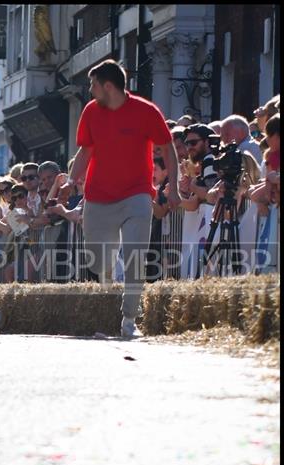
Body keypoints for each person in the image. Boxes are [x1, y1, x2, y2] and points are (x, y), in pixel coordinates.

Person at [69, 59, 180, 338]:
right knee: (99, 262)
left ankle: (129, 320)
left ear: (108, 86)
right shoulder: (91, 112)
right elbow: (85, 152)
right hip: (98, 197)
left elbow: (168, 150)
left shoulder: (146, 111)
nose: (90, 91)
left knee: (134, 256)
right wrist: (71, 180)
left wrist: (175, 188)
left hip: (137, 194)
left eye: (93, 86)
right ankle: (109, 303)